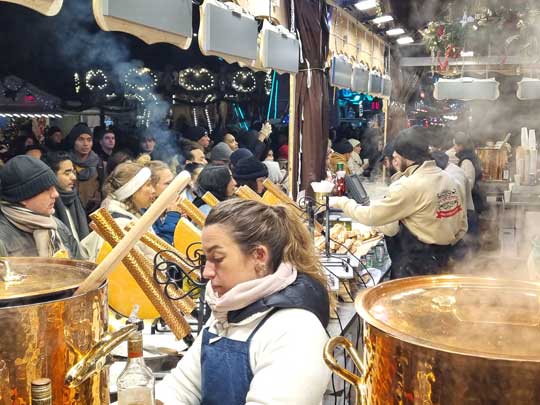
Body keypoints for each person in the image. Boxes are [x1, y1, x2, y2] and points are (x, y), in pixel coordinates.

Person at [155, 199, 332, 405]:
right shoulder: (227, 312)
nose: (207, 272)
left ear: (259, 256)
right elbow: (181, 388)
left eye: (218, 258)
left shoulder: (296, 330)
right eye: (206, 259)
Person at [330, 127, 468, 279]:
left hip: (418, 267)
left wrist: (341, 202)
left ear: (406, 157)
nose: (394, 160)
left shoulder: (410, 185)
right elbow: (462, 226)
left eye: (396, 156)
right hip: (445, 260)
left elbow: (370, 216)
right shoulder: (449, 179)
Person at [0, 155, 83, 258]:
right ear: (23, 197)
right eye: (47, 189)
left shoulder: (57, 226)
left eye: (54, 187)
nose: (55, 194)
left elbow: (79, 267)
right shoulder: (3, 238)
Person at [81, 162, 157, 261]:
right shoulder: (121, 224)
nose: (153, 190)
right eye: (148, 185)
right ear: (133, 190)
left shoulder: (129, 218)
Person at [43, 151, 90, 242]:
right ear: (51, 175)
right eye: (67, 173)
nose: (73, 177)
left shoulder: (75, 198)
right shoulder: (46, 205)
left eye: (73, 172)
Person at [66, 123, 105, 214]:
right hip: (72, 211)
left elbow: (103, 186)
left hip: (93, 212)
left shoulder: (98, 163)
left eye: (89, 140)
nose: (86, 144)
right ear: (73, 141)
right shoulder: (66, 163)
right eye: (81, 139)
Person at [148, 160, 181, 245]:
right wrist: (173, 215)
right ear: (151, 186)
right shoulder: (145, 211)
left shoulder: (165, 208)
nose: (173, 187)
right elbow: (162, 247)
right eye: (168, 183)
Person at [453, 132, 486, 215]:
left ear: (461, 146)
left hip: (472, 203)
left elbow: (468, 185)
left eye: (455, 145)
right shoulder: (471, 156)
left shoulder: (466, 161)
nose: (454, 148)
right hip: (475, 199)